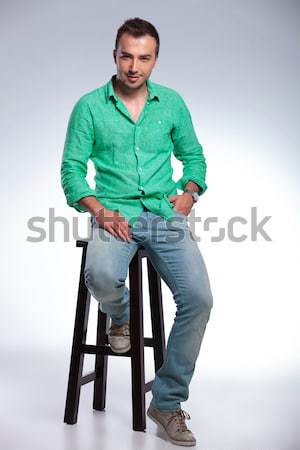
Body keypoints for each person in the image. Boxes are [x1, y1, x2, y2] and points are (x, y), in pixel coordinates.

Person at [60, 16, 213, 447]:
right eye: (126, 55)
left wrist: (190, 191)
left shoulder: (172, 103)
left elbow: (194, 157)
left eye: (143, 57)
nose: (134, 66)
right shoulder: (89, 106)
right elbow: (72, 170)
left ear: (155, 60)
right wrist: (98, 210)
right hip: (115, 214)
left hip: (164, 214)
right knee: (103, 276)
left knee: (199, 299)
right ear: (114, 55)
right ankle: (121, 318)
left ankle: (166, 403)